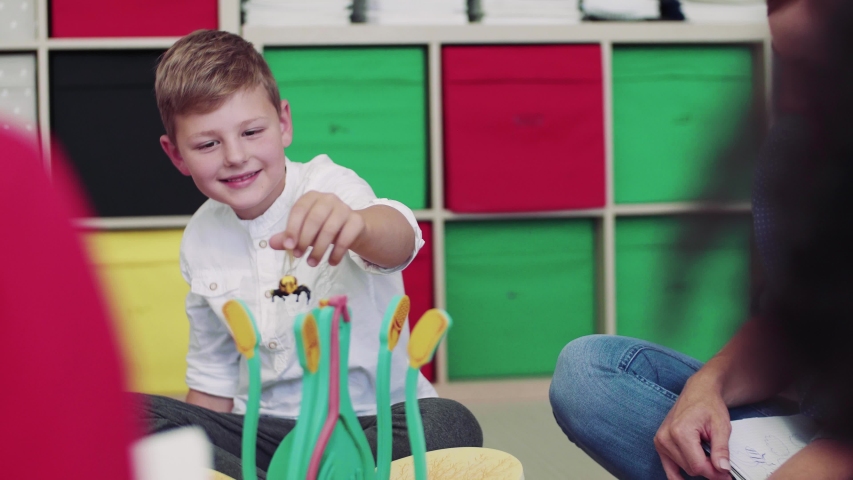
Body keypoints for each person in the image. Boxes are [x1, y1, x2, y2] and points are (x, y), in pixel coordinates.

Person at [135, 29, 482, 479]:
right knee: (128, 416)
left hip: (370, 422)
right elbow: (212, 382)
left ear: (283, 123)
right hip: (264, 433)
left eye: (252, 131)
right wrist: (194, 445)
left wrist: (357, 225)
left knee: (450, 421)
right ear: (176, 155)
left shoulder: (330, 185)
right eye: (207, 144)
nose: (236, 156)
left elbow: (399, 239)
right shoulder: (200, 237)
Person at [549, 1, 853, 479]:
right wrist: (707, 386)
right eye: (789, 68)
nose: (799, 101)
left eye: (823, 70)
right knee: (589, 373)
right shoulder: (799, 150)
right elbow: (790, 323)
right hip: (819, 427)